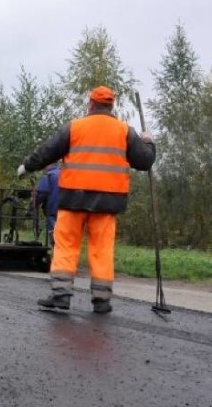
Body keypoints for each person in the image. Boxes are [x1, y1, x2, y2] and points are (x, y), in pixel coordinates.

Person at [17, 86, 156, 314]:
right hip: (108, 202)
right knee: (102, 250)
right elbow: (144, 161)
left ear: (90, 104)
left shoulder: (75, 127)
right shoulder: (124, 131)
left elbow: (47, 151)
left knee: (66, 246)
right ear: (111, 106)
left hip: (73, 198)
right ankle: (102, 300)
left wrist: (27, 167)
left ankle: (61, 295)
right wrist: (149, 142)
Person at [33, 163, 61, 247]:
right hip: (67, 211)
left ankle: (57, 257)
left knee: (55, 238)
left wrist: (31, 207)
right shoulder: (65, 174)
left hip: (53, 212)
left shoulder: (49, 176)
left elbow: (40, 194)